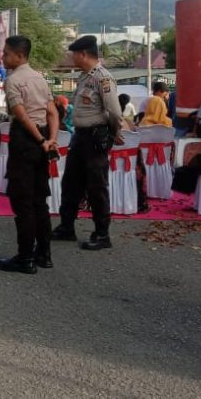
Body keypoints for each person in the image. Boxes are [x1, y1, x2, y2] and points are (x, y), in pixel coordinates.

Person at [0, 35, 59, 274]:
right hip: (43, 139)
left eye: (6, 54)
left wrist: (41, 140)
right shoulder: (39, 79)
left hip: (25, 140)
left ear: (19, 56)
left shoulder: (13, 81)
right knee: (39, 200)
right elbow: (52, 111)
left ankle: (25, 257)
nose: (3, 58)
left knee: (23, 202)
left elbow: (21, 116)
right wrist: (51, 139)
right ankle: (44, 254)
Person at [51, 36, 122, 251]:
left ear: (83, 54)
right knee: (71, 182)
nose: (72, 57)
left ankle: (102, 233)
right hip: (80, 136)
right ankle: (66, 226)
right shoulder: (84, 77)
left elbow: (115, 112)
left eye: (74, 53)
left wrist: (111, 135)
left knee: (96, 186)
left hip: (95, 136)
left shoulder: (103, 78)